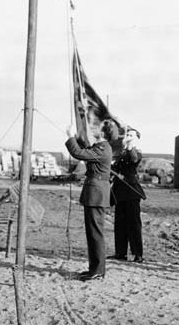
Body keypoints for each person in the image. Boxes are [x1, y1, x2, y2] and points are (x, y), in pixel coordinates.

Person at [65, 120, 117, 281]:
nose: (94, 128)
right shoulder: (99, 146)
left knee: (96, 234)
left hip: (96, 195)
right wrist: (75, 136)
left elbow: (79, 153)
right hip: (94, 194)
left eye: (97, 127)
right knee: (92, 233)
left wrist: (69, 136)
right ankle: (94, 269)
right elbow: (84, 148)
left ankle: (98, 271)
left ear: (103, 133)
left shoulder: (103, 148)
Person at [110, 128, 147, 263]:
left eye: (131, 135)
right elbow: (113, 168)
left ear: (137, 139)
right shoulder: (120, 153)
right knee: (120, 224)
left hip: (131, 192)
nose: (129, 137)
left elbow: (133, 159)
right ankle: (120, 253)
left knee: (134, 224)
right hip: (119, 192)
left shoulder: (136, 152)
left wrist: (129, 144)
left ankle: (138, 254)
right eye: (127, 134)